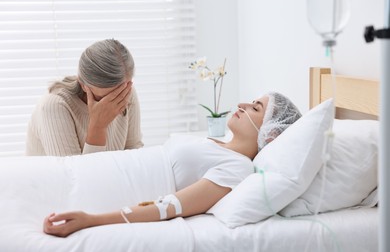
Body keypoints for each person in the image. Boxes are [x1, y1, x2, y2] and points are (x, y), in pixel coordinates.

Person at [43, 92, 302, 237]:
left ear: (270, 134)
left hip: (113, 188)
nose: (242, 105)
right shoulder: (216, 143)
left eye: (255, 108)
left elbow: (168, 207)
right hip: (102, 167)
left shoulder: (238, 168)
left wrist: (91, 220)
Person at [26, 39, 143, 156]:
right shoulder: (54, 106)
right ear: (82, 84)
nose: (114, 102)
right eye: (103, 98)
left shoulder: (126, 93)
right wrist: (98, 126)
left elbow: (134, 157)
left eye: (121, 93)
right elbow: (72, 173)